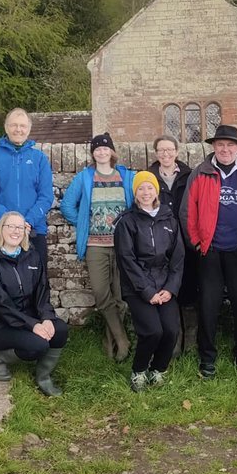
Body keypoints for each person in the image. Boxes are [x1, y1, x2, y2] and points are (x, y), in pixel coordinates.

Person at [180, 124, 237, 378]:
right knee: (207, 305)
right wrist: (196, 242)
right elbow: (187, 211)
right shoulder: (200, 173)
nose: (225, 149)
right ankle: (207, 358)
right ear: (213, 147)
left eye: (230, 145)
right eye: (220, 145)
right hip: (210, 250)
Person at [0, 211, 68, 394]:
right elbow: (1, 305)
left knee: (60, 330)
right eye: (11, 226)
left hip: (28, 318)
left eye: (20, 227)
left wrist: (47, 318)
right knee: (38, 345)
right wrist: (33, 325)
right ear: (1, 229)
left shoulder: (32, 257)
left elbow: (42, 291)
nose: (16, 231)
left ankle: (43, 377)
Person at [61, 133, 135, 361]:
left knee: (121, 297)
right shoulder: (85, 177)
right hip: (95, 245)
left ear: (112, 152)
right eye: (97, 149)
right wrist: (84, 221)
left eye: (105, 149)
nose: (101, 152)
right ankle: (122, 340)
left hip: (123, 246)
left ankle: (111, 339)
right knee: (102, 294)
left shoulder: (126, 176)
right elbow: (66, 206)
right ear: (93, 153)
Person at [114, 171, 185, 391]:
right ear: (135, 193)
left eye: (150, 188)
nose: (146, 192)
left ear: (156, 191)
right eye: (141, 188)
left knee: (171, 331)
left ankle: (158, 370)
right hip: (138, 287)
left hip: (164, 284)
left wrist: (170, 289)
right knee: (152, 331)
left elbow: (178, 257)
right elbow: (127, 260)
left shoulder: (169, 219)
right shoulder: (127, 222)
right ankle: (139, 371)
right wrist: (147, 291)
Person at [0, 108, 54, 268]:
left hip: (33, 230)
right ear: (6, 127)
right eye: (14, 125)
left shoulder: (39, 159)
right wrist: (10, 223)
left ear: (29, 129)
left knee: (38, 282)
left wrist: (27, 222)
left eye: (22, 126)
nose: (18, 129)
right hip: (0, 229)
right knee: (0, 282)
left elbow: (46, 196)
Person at [148, 134, 198, 354]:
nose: (166, 154)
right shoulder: (148, 177)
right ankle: (173, 343)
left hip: (187, 241)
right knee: (168, 291)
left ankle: (192, 342)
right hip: (160, 243)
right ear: (156, 153)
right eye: (161, 150)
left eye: (169, 150)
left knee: (188, 290)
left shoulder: (190, 175)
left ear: (177, 152)